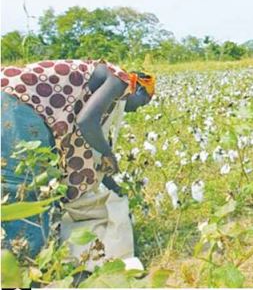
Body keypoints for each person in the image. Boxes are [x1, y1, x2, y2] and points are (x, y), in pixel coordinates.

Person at [1, 59, 155, 259]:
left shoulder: (99, 82)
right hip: (16, 103)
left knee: (11, 186)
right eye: (143, 103)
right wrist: (108, 154)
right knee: (25, 191)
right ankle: (22, 265)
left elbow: (88, 145)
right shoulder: (119, 80)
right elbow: (86, 122)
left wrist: (113, 184)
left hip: (14, 98)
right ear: (139, 90)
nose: (136, 110)